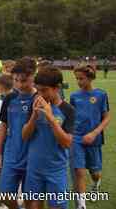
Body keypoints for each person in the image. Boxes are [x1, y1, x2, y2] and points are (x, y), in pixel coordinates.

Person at [22, 66, 75, 209]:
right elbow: (25, 136)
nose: (40, 94)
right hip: (34, 167)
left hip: (56, 170)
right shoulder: (34, 102)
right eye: (38, 90)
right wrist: (34, 115)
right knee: (33, 205)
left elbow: (66, 143)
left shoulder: (68, 110)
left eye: (44, 90)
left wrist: (50, 117)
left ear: (57, 88)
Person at [0, 57, 37, 209]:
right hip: (12, 153)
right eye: (15, 80)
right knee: (4, 195)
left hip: (33, 156)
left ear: (33, 76)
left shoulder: (39, 99)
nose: (19, 84)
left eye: (23, 80)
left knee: (30, 200)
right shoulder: (10, 98)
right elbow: (4, 125)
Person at [70, 65, 111, 208]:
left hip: (94, 139)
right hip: (76, 138)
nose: (79, 81)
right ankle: (82, 205)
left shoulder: (101, 95)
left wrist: (94, 133)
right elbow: (72, 116)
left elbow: (106, 118)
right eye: (77, 79)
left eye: (81, 78)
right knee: (79, 171)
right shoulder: (74, 96)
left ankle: (96, 183)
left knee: (94, 172)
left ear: (90, 78)